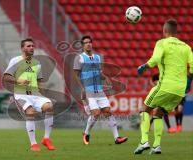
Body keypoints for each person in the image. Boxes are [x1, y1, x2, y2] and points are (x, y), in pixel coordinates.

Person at [134, 19, 193, 154]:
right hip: (179, 91)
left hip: (165, 85)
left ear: (164, 31)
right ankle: (156, 146)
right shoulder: (186, 47)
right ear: (176, 31)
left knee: (145, 110)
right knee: (158, 113)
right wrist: (189, 79)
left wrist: (144, 66)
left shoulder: (161, 43)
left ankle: (144, 142)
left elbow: (155, 59)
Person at [2, 38, 55, 152]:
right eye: (28, 46)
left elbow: (39, 81)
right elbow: (6, 77)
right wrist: (18, 81)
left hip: (35, 94)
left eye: (32, 46)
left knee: (49, 107)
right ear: (22, 48)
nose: (32, 48)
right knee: (30, 113)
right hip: (21, 95)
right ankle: (34, 144)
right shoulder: (15, 60)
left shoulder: (37, 63)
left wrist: (44, 95)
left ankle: (46, 139)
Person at [73, 35, 128, 145]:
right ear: (83, 45)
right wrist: (82, 88)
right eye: (86, 43)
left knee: (108, 111)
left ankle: (117, 138)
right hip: (88, 91)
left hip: (99, 90)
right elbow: (76, 75)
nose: (88, 44)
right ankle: (86, 133)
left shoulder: (97, 57)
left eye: (90, 42)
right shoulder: (79, 58)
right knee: (96, 113)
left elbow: (98, 72)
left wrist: (105, 77)